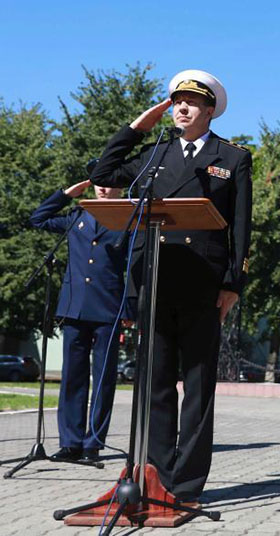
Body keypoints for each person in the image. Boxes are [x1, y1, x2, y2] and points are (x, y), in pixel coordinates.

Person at [90, 69, 253, 501]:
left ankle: (187, 484)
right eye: (176, 101)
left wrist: (233, 284)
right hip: (156, 279)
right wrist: (137, 126)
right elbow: (102, 173)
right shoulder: (155, 153)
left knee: (198, 386)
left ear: (210, 110)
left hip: (203, 282)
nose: (181, 108)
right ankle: (159, 478)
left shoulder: (232, 158)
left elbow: (241, 226)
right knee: (156, 383)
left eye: (192, 102)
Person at [30, 169, 128, 462]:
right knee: (72, 378)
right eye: (99, 184)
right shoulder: (76, 216)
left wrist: (131, 309)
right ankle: (70, 443)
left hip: (108, 309)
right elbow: (38, 219)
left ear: (120, 188)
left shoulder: (127, 219)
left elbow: (136, 266)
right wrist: (66, 194)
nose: (103, 189)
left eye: (110, 184)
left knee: (102, 380)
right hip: (74, 309)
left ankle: (92, 444)